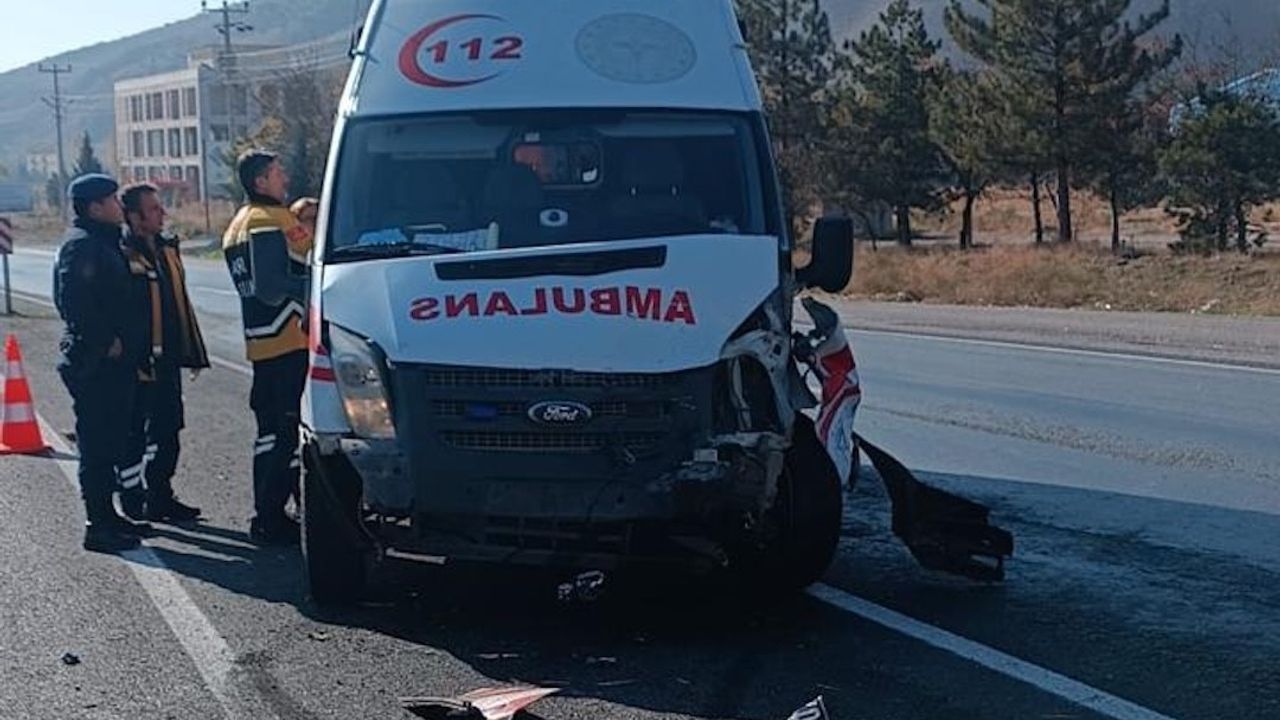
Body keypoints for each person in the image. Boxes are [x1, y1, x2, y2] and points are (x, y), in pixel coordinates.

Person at [52, 173, 152, 553]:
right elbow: (72, 300)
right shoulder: (82, 244)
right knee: (96, 445)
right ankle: (97, 524)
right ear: (95, 207)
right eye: (112, 200)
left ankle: (109, 516)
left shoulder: (103, 241)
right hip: (95, 365)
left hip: (114, 365)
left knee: (110, 442)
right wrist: (106, 341)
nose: (118, 206)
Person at [222, 150, 313, 545]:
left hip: (263, 344)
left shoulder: (240, 222)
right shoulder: (265, 220)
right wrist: (315, 289)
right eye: (277, 173)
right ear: (259, 181)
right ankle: (271, 517)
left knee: (270, 435)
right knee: (285, 435)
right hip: (287, 341)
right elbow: (272, 287)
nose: (285, 178)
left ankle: (268, 513)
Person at [117, 183, 210, 523]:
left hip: (167, 359)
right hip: (137, 362)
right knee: (135, 434)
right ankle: (132, 500)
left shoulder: (167, 250)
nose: (162, 214)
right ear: (134, 216)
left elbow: (178, 305)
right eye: (154, 209)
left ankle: (160, 496)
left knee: (169, 429)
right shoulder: (122, 254)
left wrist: (191, 350)